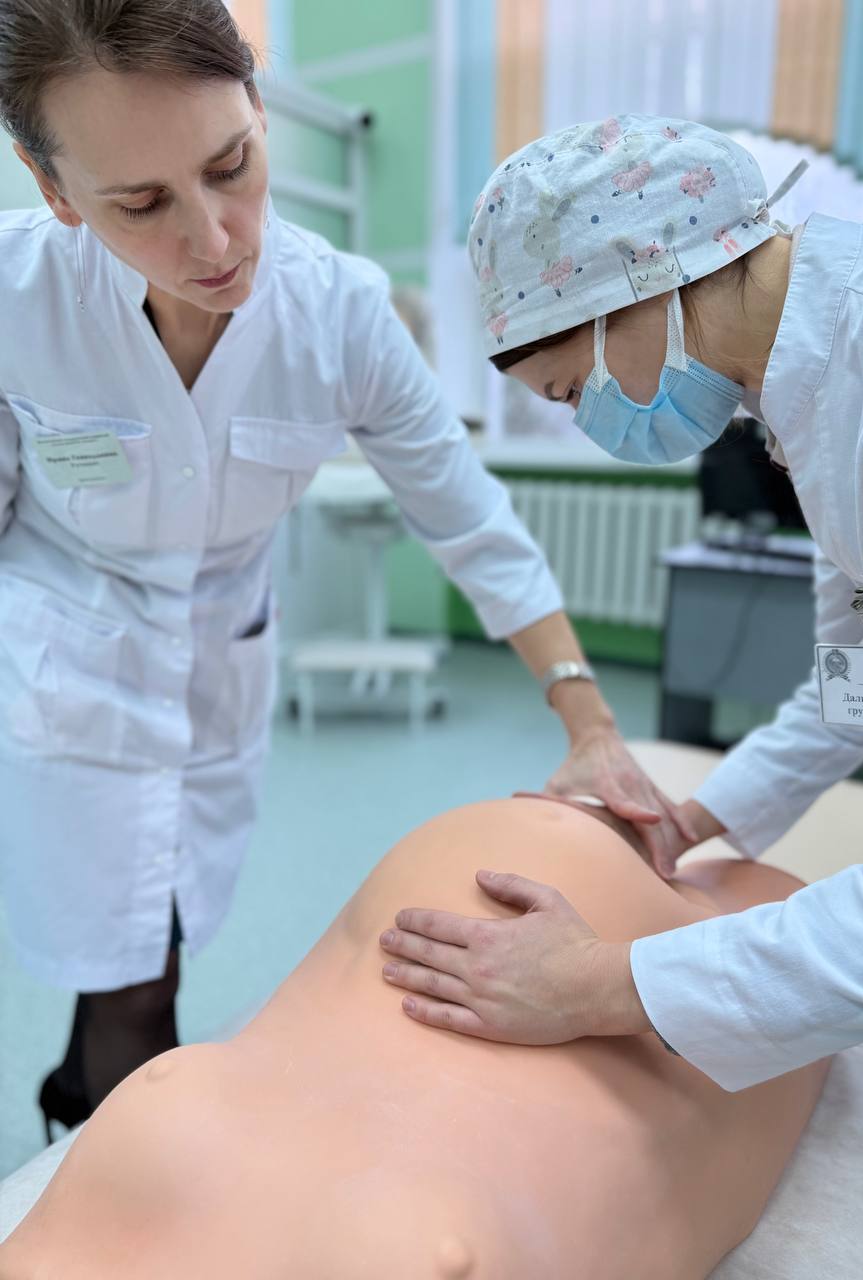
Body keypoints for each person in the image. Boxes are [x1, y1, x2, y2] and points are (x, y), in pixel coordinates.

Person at [0, 7, 686, 1140]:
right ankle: (121, 1147)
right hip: (66, 661)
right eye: (143, 204)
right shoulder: (18, 301)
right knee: (128, 964)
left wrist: (592, 722)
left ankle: (77, 1099)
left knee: (153, 930)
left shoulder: (342, 313)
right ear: (55, 189)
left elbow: (466, 515)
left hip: (217, 660)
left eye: (232, 165)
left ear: (259, 112)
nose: (216, 240)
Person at [379, 113, 863, 1092]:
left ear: (635, 283)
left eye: (571, 390)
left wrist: (601, 985)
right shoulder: (815, 398)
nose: (591, 422)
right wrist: (692, 820)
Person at [0, 794, 828, 1280]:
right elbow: (813, 968)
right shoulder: (768, 922)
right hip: (524, 893)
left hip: (478, 866)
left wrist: (604, 978)